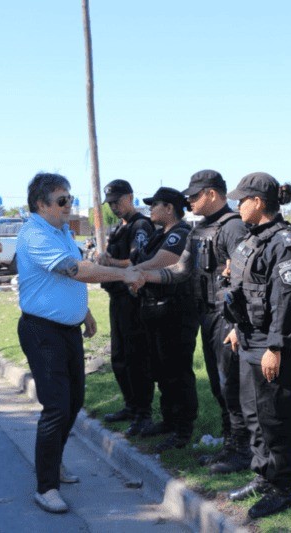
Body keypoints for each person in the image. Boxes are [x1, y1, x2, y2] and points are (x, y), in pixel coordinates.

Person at [16, 172, 144, 513]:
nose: (68, 206)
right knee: (56, 406)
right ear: (41, 204)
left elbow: (71, 280)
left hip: (66, 330)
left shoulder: (59, 231)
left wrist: (84, 313)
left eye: (69, 199)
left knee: (73, 402)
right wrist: (124, 273)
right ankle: (46, 487)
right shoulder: (34, 234)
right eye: (61, 201)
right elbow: (77, 271)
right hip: (42, 331)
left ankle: (53, 463)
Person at [138, 170, 252, 473]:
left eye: (194, 196)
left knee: (230, 384)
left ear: (212, 194)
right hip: (207, 313)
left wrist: (240, 325)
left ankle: (242, 450)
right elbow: (181, 269)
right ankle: (231, 444)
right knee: (219, 383)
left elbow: (246, 280)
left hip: (228, 316)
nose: (188, 201)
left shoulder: (233, 227)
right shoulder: (199, 229)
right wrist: (143, 275)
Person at [222, 172, 291, 519]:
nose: (237, 206)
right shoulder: (253, 239)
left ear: (257, 202)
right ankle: (263, 476)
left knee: (275, 418)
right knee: (254, 415)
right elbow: (244, 289)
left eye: (241, 200)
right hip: (248, 338)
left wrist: (275, 347)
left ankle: (282, 487)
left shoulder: (284, 243)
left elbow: (285, 302)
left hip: (271, 344)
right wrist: (234, 326)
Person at [135, 187, 199, 452]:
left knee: (177, 371)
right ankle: (169, 420)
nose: (150, 209)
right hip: (154, 309)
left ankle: (182, 429)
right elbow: (142, 259)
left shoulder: (180, 234)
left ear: (169, 208)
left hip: (175, 310)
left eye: (155, 204)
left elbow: (162, 262)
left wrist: (131, 272)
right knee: (161, 370)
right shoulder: (159, 234)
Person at [96, 180, 155, 436]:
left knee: (136, 359)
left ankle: (143, 413)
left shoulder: (141, 226)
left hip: (133, 301)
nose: (115, 206)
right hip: (117, 299)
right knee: (119, 358)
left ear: (130, 197)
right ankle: (131, 407)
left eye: (118, 201)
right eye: (110, 203)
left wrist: (110, 264)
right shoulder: (120, 228)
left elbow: (138, 261)